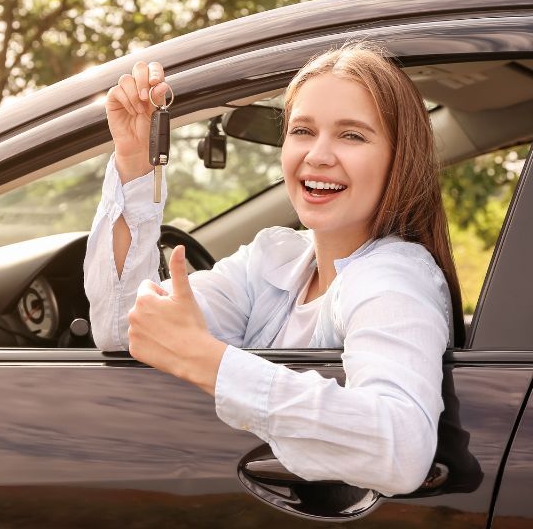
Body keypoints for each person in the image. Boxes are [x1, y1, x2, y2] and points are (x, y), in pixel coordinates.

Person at [83, 42, 463, 497]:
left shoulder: (394, 276)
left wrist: (208, 361)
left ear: (399, 159)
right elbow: (127, 334)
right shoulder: (275, 260)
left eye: (352, 135)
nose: (318, 155)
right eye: (303, 130)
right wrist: (133, 162)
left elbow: (401, 449)